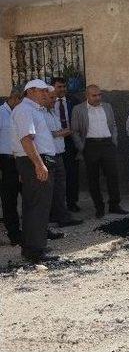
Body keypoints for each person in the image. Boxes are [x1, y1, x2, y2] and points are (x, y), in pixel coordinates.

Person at [12, 79, 59, 263]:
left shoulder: (32, 110)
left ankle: (33, 248)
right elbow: (26, 140)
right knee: (37, 206)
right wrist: (39, 164)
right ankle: (36, 251)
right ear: (30, 91)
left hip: (33, 162)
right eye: (42, 91)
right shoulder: (25, 110)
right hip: (35, 162)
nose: (46, 94)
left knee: (36, 205)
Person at [71, 85, 128, 218]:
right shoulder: (78, 109)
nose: (98, 98)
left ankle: (114, 204)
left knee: (113, 176)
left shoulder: (107, 106)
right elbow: (75, 131)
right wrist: (82, 148)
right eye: (94, 95)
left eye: (99, 95)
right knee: (93, 178)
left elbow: (113, 125)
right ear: (87, 96)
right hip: (90, 146)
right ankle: (99, 207)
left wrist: (114, 141)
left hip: (107, 144)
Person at [43, 88, 83, 227]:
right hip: (49, 155)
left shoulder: (52, 112)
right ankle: (58, 216)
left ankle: (60, 215)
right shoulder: (41, 114)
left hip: (59, 153)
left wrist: (61, 133)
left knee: (59, 187)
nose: (54, 100)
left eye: (54, 98)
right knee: (53, 188)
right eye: (51, 98)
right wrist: (60, 133)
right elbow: (44, 133)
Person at [51, 77, 81, 212]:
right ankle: (57, 205)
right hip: (53, 142)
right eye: (59, 87)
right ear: (53, 87)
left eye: (64, 86)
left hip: (70, 142)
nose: (62, 89)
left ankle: (72, 202)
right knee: (56, 175)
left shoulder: (73, 101)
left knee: (72, 173)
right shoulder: (48, 102)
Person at [0, 88, 22, 245]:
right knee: (9, 199)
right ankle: (14, 234)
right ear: (15, 98)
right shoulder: (1, 113)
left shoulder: (21, 113)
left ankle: (36, 230)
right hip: (6, 162)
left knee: (30, 196)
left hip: (22, 160)